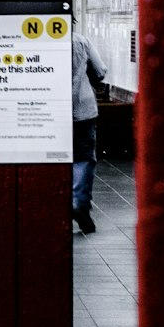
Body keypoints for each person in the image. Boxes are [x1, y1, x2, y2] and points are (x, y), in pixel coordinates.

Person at [71, 29, 108, 233]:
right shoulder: (81, 41)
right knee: (83, 157)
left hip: (48, 111)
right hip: (82, 109)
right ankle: (78, 202)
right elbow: (100, 71)